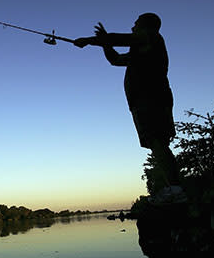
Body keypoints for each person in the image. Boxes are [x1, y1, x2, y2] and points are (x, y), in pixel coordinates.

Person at [74, 13, 186, 203]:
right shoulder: (139, 50)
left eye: (136, 24)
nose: (133, 27)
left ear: (147, 26)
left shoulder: (152, 37)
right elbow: (115, 59)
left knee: (158, 142)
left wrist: (90, 40)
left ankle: (176, 190)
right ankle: (174, 189)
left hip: (153, 99)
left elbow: (120, 38)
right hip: (141, 102)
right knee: (155, 144)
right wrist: (104, 43)